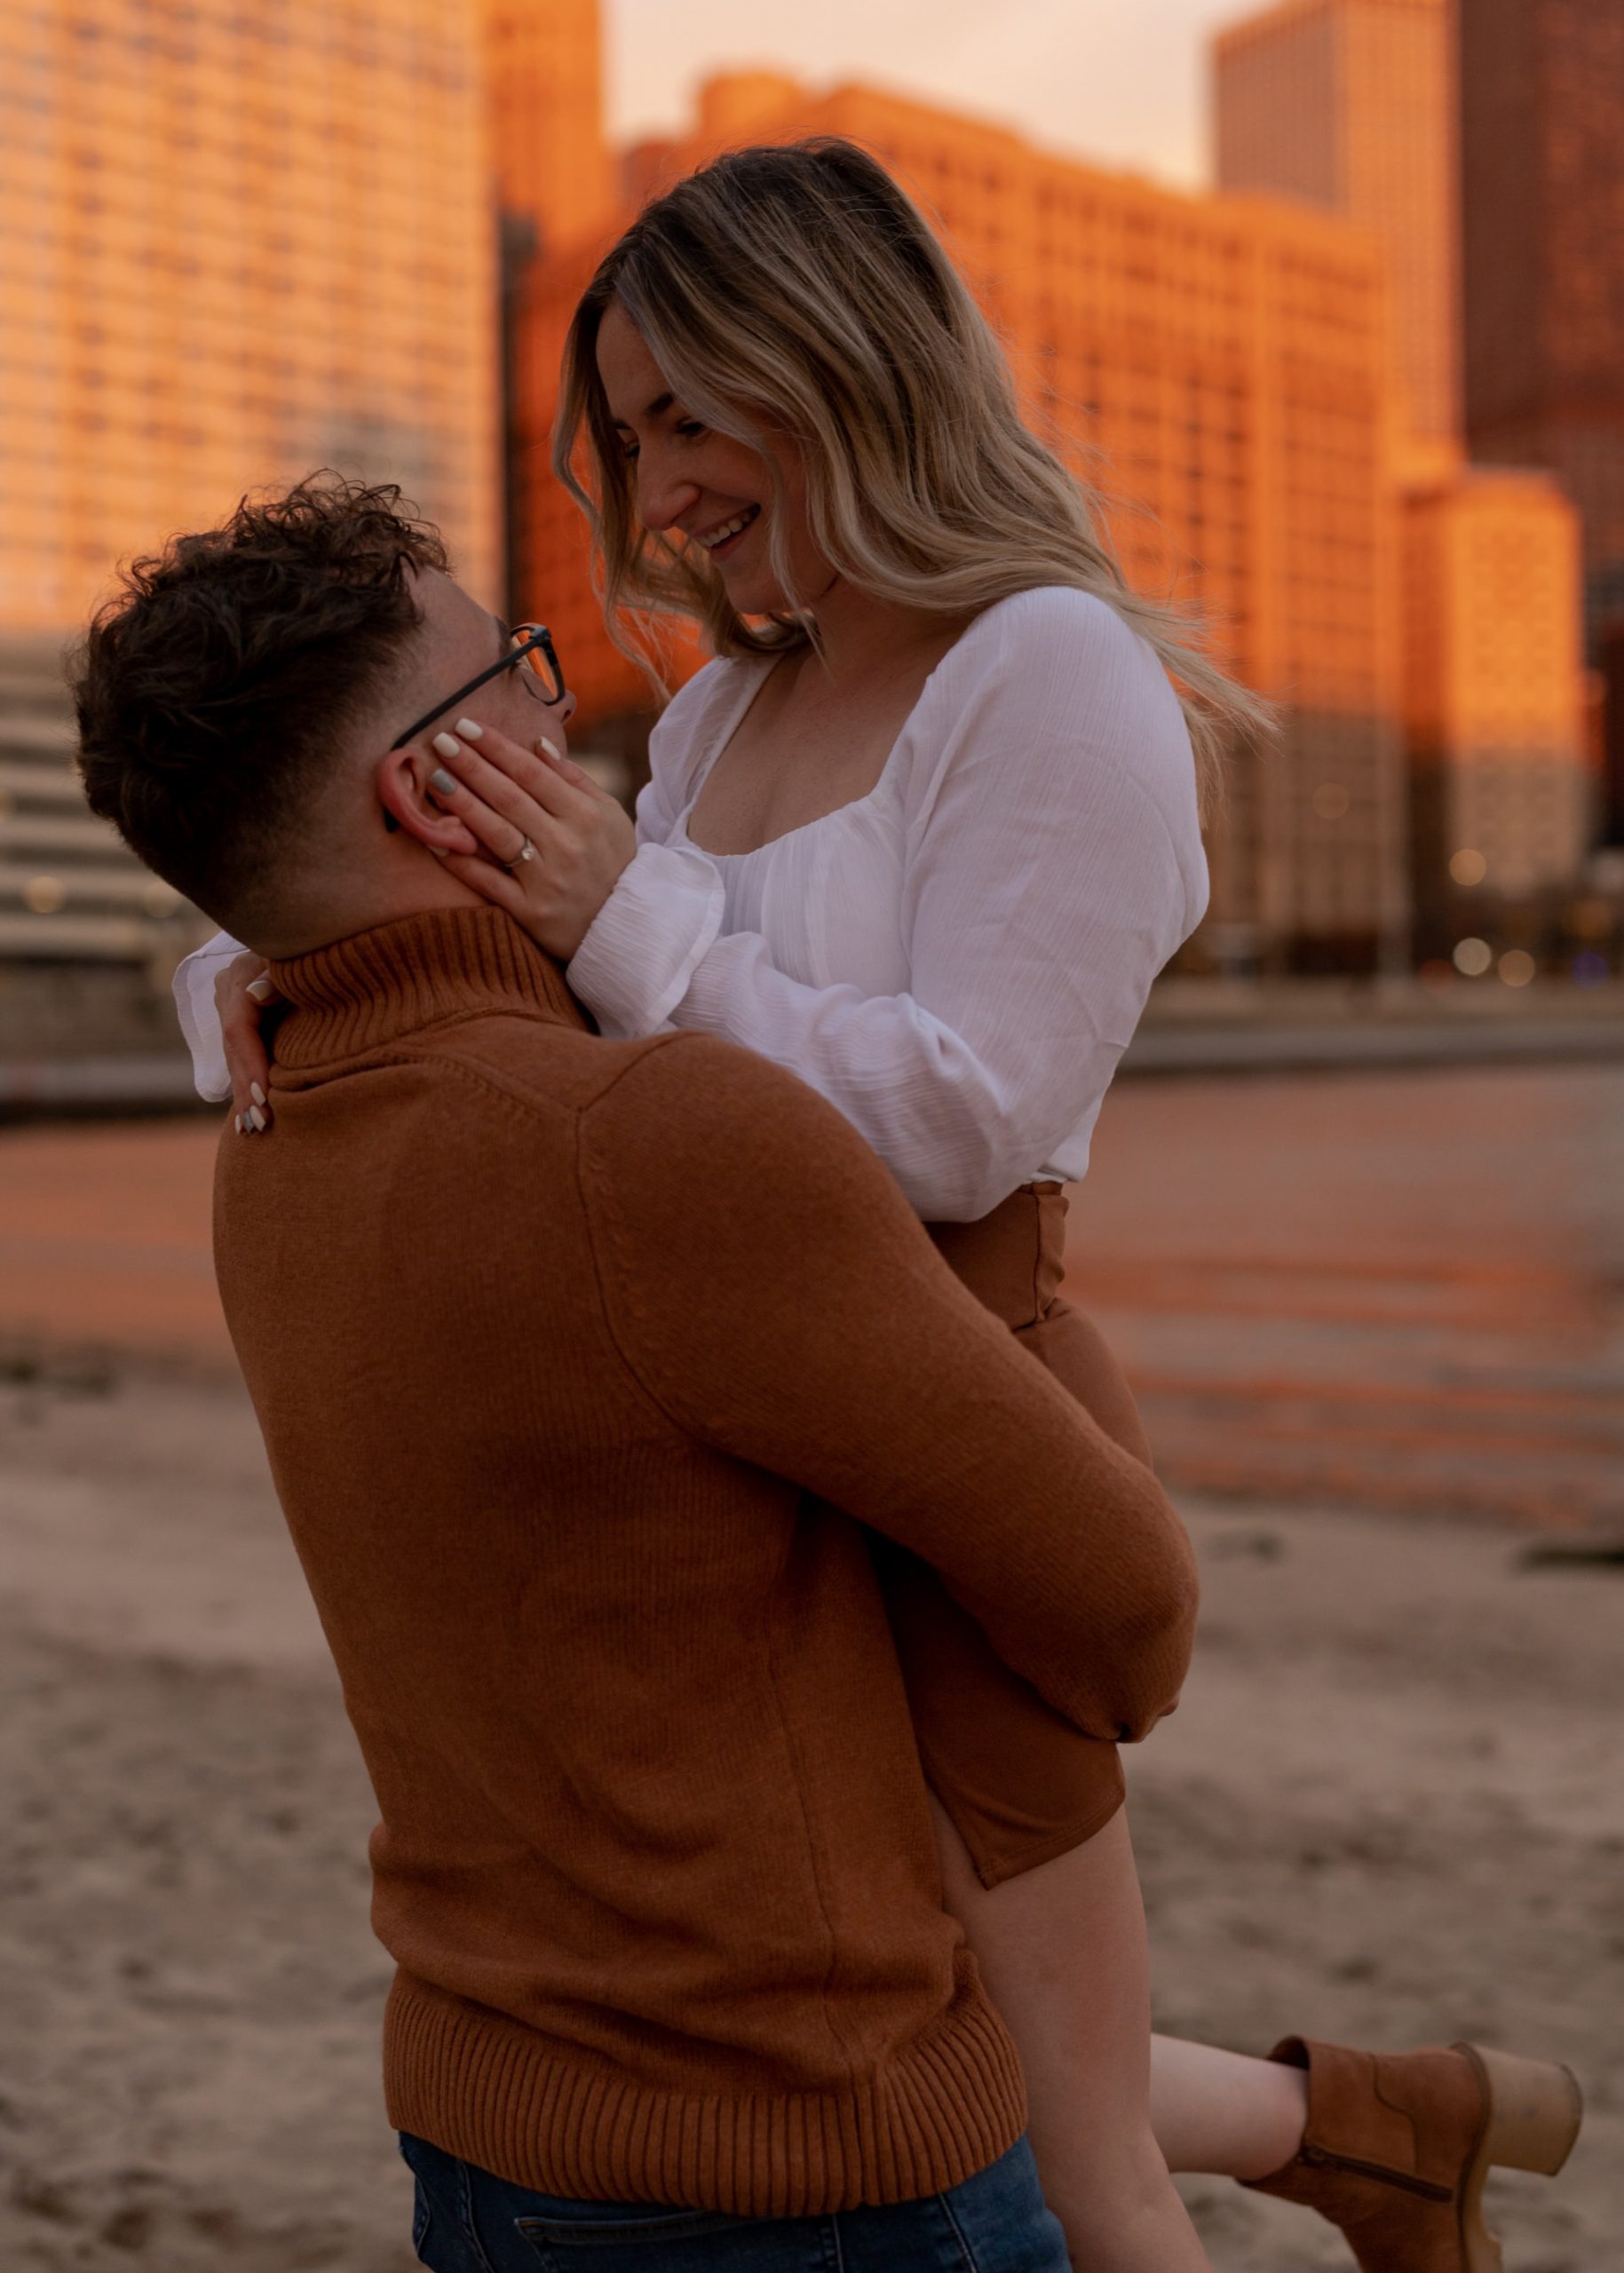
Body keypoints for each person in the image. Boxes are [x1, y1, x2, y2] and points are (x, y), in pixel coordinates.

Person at [173, 141, 1583, 2273]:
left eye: (689, 412)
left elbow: (961, 1118)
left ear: (842, 358)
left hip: (948, 1422)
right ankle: (1375, 2126)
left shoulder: (1053, 676)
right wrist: (254, 975)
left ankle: (1379, 2133)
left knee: (1078, 2166)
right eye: (629, 434)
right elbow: (530, 952)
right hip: (751, 1445)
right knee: (954, 2057)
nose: (657, 486)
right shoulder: (731, 703)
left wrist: (626, 910)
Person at [74, 475, 1208, 2271]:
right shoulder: (655, 1142)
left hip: (487, 2140)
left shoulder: (269, 1137)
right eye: (520, 680)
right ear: (440, 788)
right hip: (801, 2168)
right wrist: (1023, 1290)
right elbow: (1131, 1602)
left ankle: (1349, 2119)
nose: (566, 711)